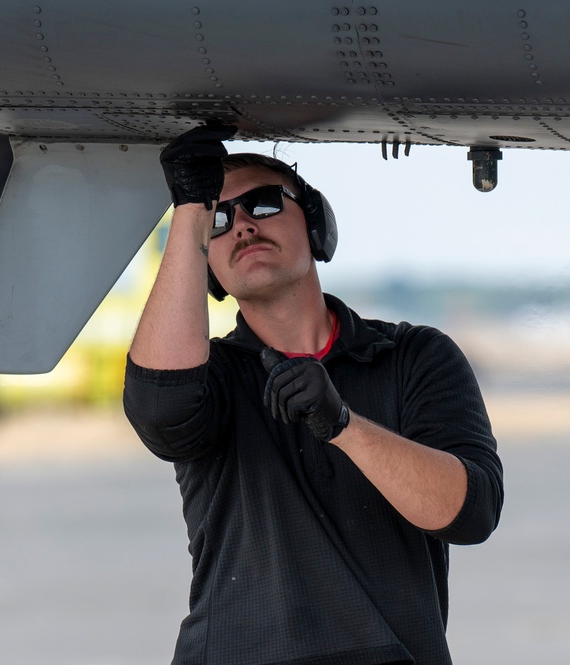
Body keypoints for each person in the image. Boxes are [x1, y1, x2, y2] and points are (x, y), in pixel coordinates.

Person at [123, 125, 504, 665]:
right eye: (221, 218)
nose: (244, 226)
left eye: (262, 202)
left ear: (317, 225)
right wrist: (189, 210)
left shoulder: (414, 357)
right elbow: (159, 412)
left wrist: (344, 425)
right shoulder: (213, 379)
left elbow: (471, 513)